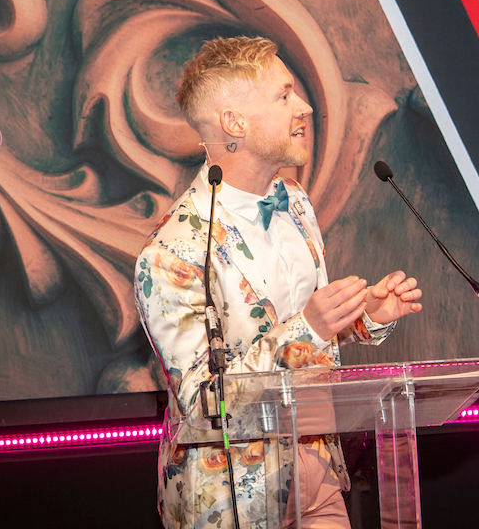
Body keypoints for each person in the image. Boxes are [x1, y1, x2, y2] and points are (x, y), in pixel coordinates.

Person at [134, 35, 423, 529]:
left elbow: (296, 334)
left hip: (317, 469)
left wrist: (361, 317)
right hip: (231, 498)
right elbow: (204, 404)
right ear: (235, 123)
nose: (304, 107)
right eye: (284, 95)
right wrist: (310, 327)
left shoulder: (295, 201)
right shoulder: (170, 254)